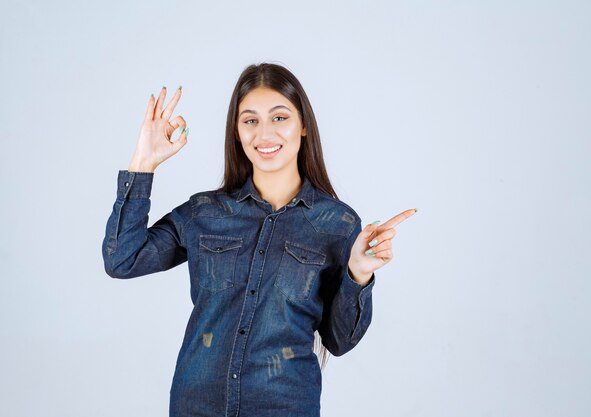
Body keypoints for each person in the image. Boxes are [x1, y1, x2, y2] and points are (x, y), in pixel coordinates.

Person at [102, 63, 416, 417]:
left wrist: (358, 274)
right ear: (236, 132)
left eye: (279, 118)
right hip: (197, 406)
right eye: (250, 120)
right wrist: (143, 162)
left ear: (304, 127)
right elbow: (122, 259)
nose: (264, 134)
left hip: (285, 406)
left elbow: (340, 341)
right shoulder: (205, 213)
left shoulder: (337, 223)